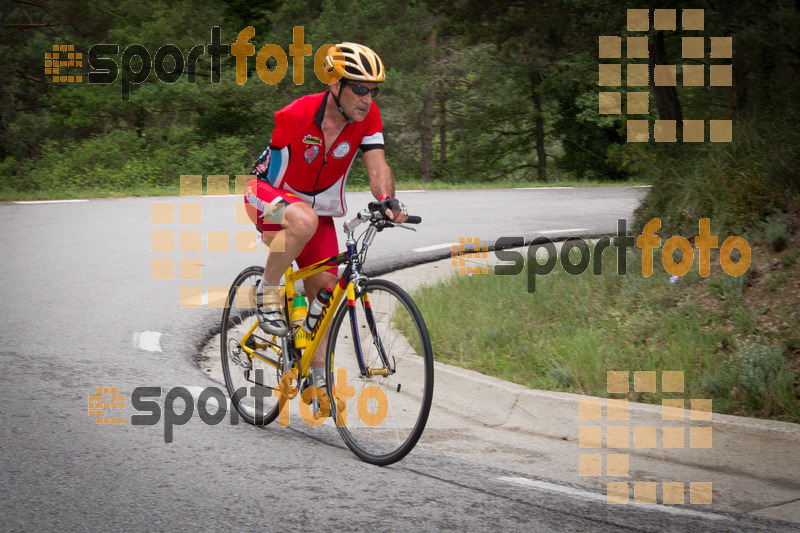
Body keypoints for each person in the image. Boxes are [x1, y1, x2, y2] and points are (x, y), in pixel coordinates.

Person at [243, 42, 406, 390]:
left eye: (373, 91)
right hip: (265, 196)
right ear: (335, 84)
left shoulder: (367, 118)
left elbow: (377, 167)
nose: (367, 99)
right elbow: (269, 179)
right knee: (303, 220)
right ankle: (267, 291)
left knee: (326, 293)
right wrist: (279, 220)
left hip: (314, 212)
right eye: (360, 89)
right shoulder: (296, 115)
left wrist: (388, 199)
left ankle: (316, 381)